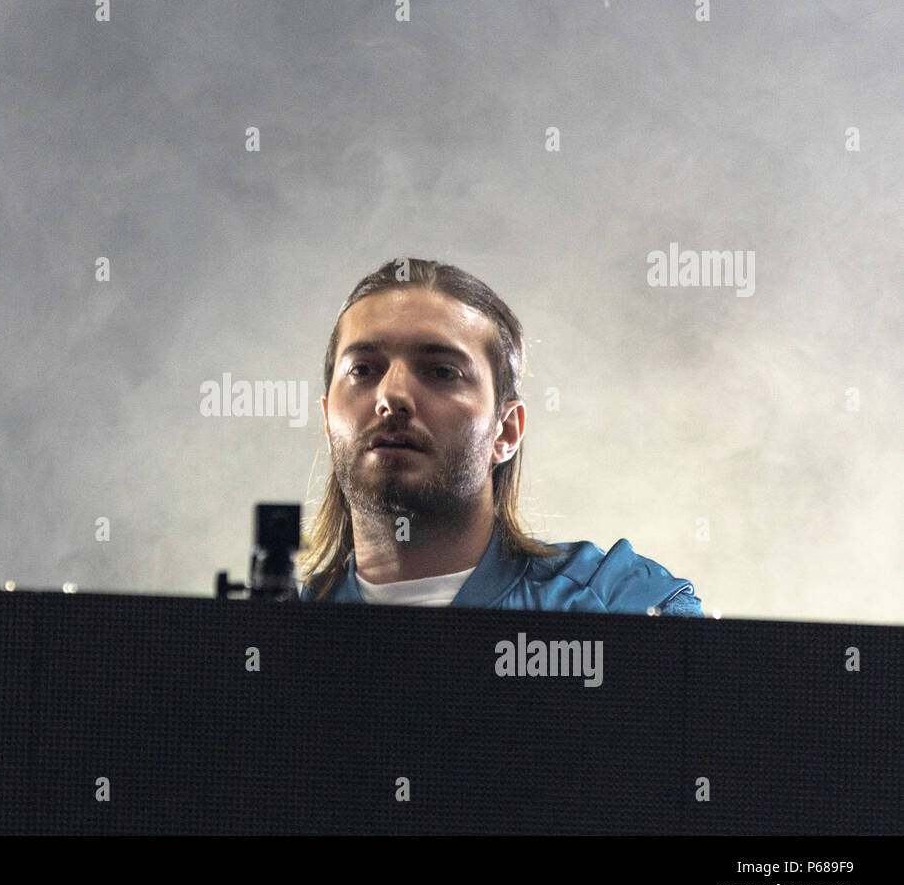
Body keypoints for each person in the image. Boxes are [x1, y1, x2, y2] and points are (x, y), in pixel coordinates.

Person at [298, 258, 703, 616]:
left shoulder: (619, 605)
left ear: (505, 432)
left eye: (442, 371)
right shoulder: (280, 634)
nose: (391, 395)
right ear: (328, 418)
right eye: (363, 370)